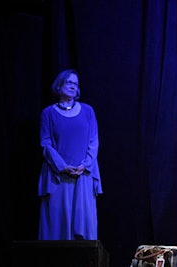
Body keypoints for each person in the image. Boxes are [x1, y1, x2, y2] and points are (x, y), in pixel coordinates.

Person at [37, 69, 103, 240]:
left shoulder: (88, 111)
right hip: (57, 177)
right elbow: (46, 143)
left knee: (83, 228)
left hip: (83, 176)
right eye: (69, 82)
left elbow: (93, 141)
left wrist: (85, 165)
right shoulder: (48, 113)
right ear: (59, 86)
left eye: (75, 83)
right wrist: (62, 167)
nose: (72, 86)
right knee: (57, 228)